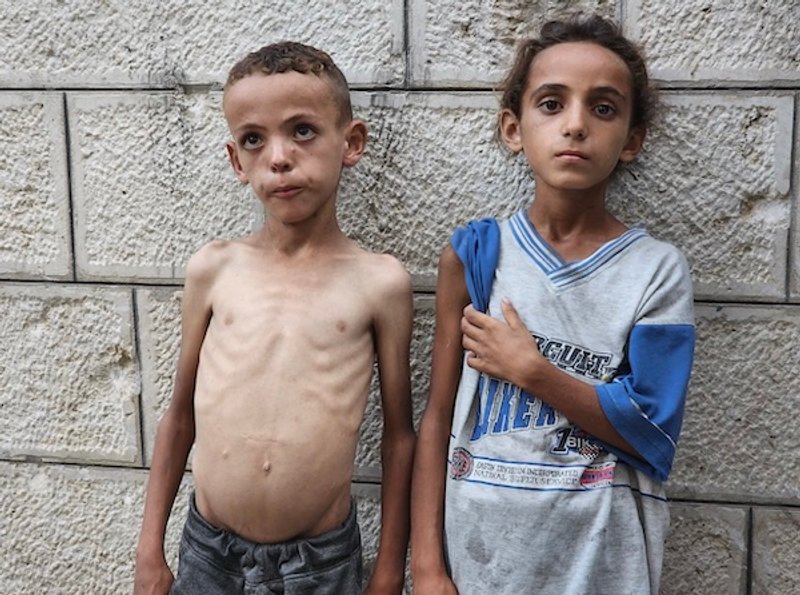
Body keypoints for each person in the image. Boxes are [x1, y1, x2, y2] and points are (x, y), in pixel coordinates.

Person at [411, 13, 695, 595]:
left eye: (603, 108)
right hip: (481, 563)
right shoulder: (475, 255)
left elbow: (653, 432)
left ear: (632, 139)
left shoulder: (655, 270)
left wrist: (532, 371)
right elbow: (438, 417)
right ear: (513, 129)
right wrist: (429, 568)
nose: (576, 125)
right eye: (551, 103)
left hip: (599, 565)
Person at [134, 41, 416, 595]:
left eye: (302, 131)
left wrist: (388, 570)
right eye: (254, 139)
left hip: (320, 562)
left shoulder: (379, 283)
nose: (279, 157)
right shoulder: (215, 269)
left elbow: (399, 437)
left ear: (351, 142)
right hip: (209, 553)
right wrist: (149, 550)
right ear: (236, 161)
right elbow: (179, 418)